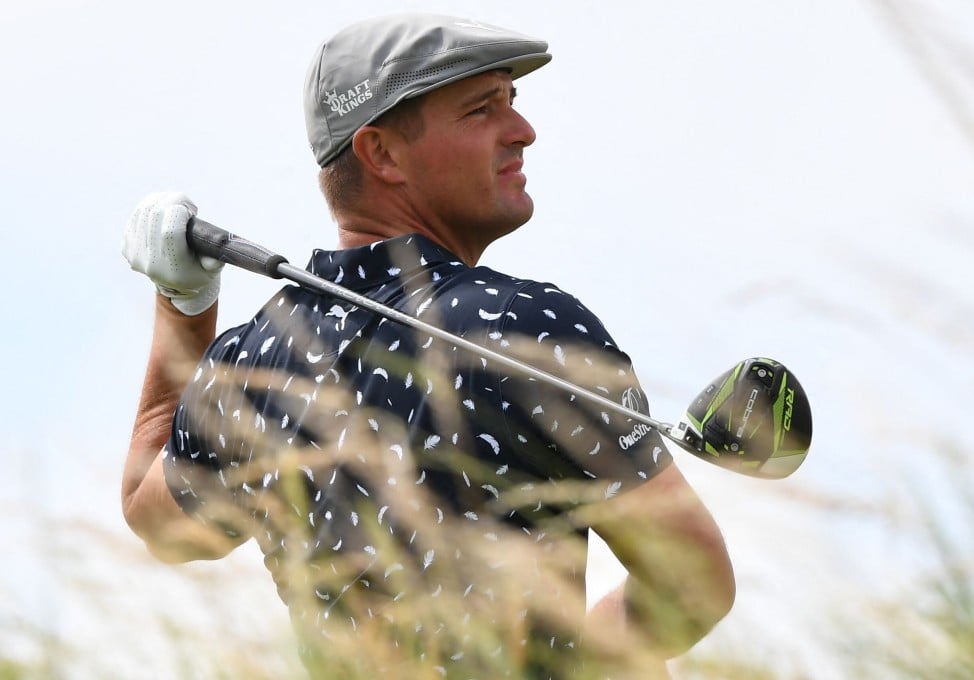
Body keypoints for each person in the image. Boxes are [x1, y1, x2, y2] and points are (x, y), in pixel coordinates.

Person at [120, 13, 734, 679]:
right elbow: (695, 582)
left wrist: (183, 303)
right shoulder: (526, 327)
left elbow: (156, 522)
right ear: (382, 153)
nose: (523, 131)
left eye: (512, 102)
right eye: (481, 109)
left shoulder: (256, 358)